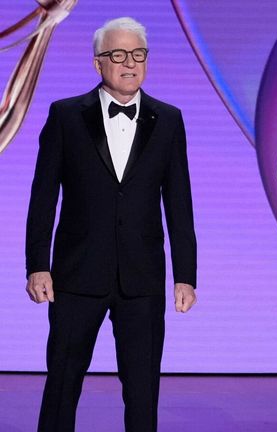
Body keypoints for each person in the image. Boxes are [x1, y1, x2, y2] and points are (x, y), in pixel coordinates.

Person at [25, 17, 197, 432]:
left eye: (138, 54)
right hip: (76, 274)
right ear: (97, 63)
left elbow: (179, 202)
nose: (129, 63)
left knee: (142, 389)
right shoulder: (66, 115)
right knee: (63, 383)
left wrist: (186, 275)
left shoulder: (168, 119)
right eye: (118, 55)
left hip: (143, 279)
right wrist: (37, 265)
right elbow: (44, 195)